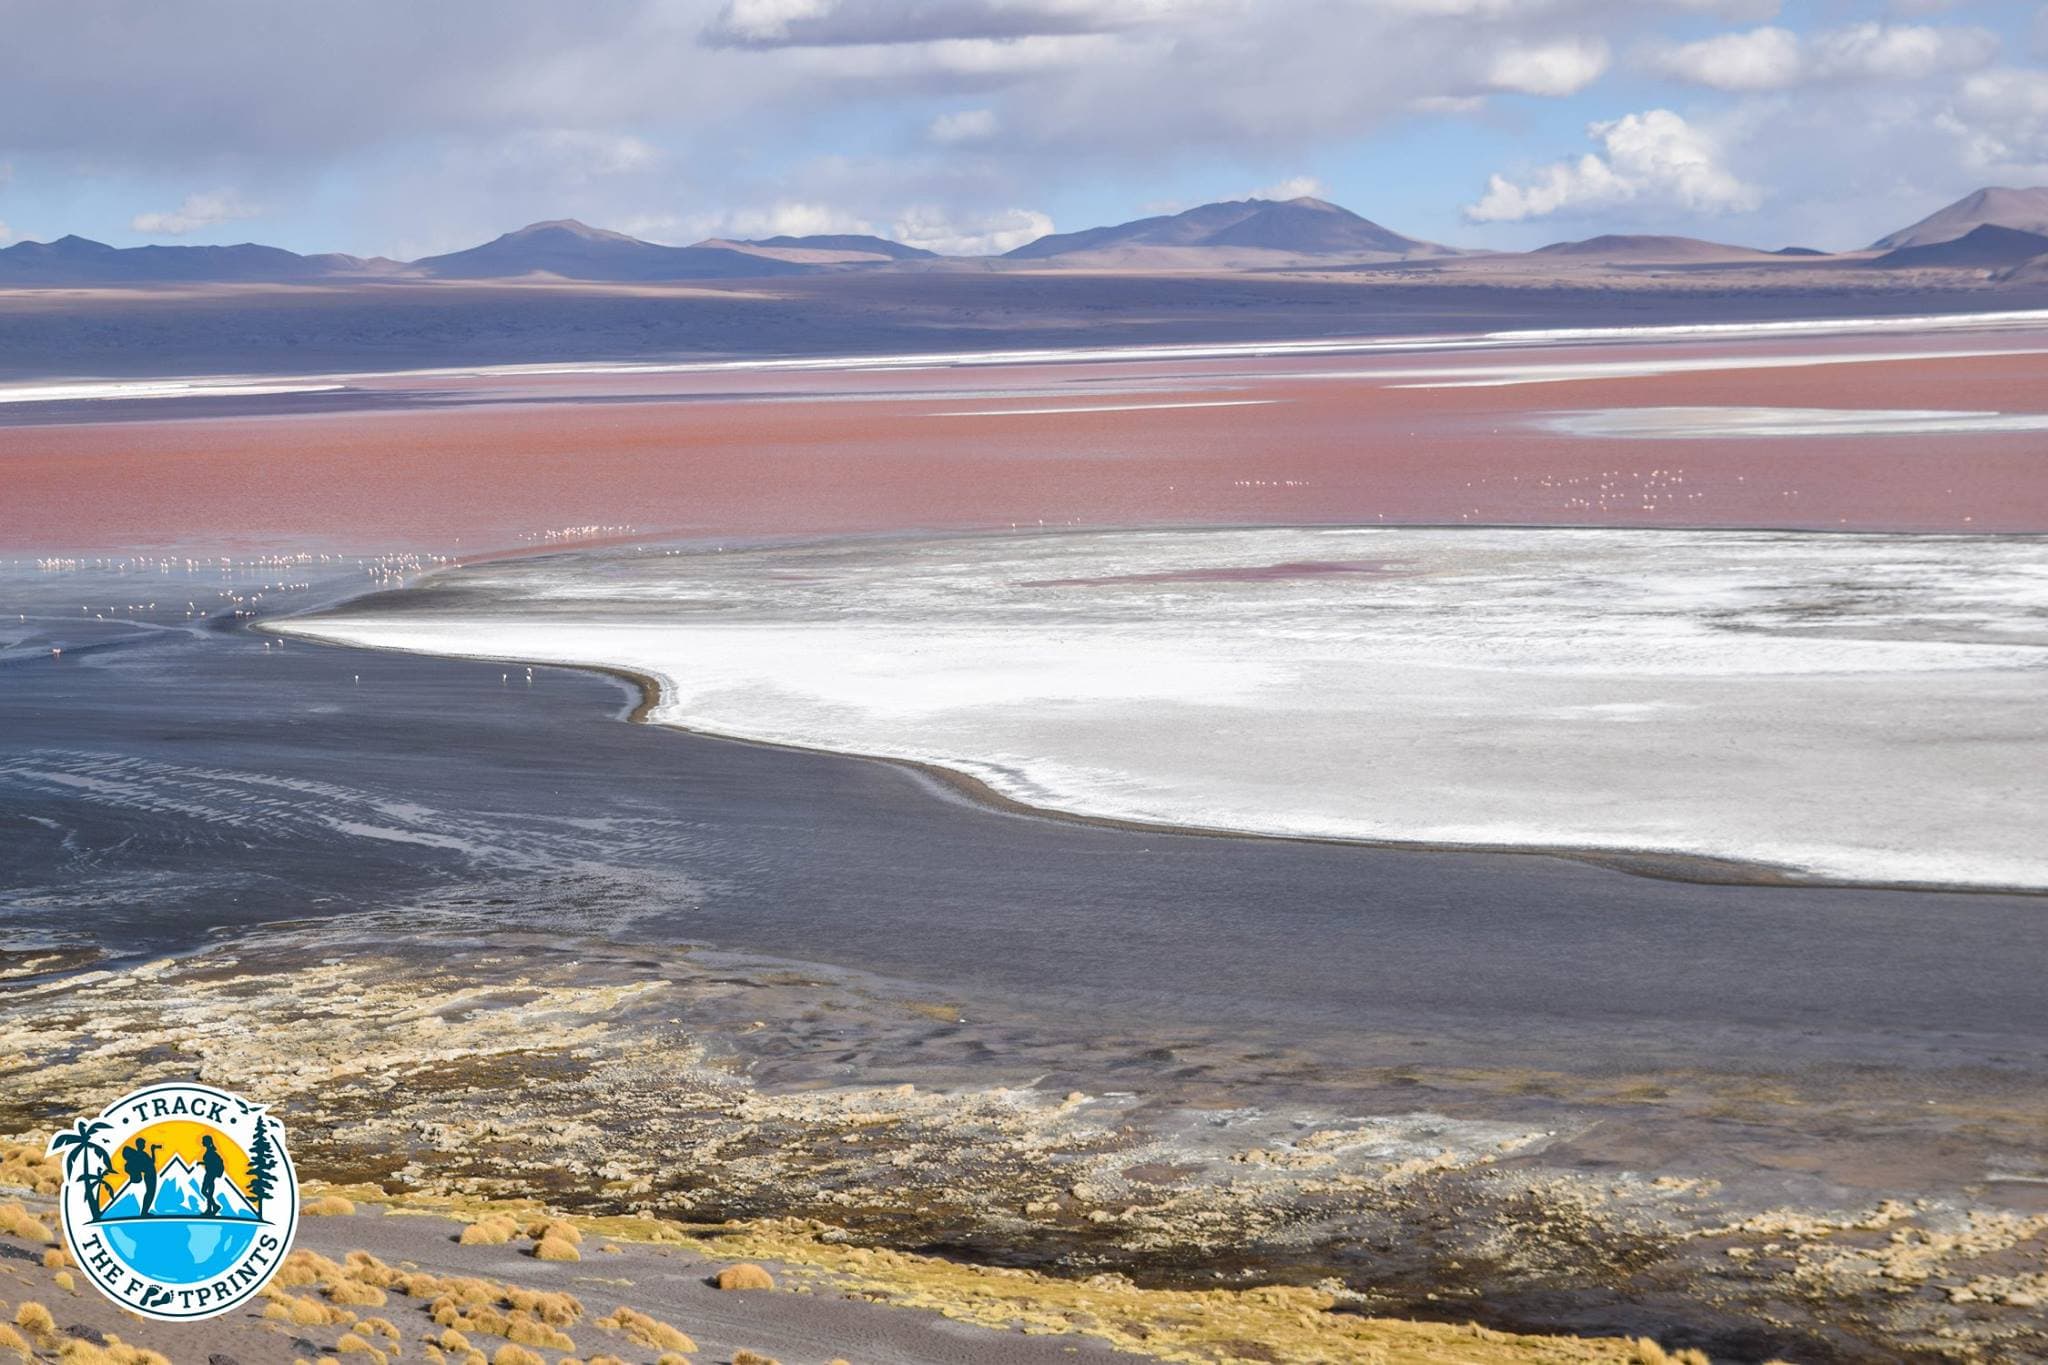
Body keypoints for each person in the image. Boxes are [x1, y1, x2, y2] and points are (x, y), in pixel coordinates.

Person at [119, 1138, 160, 1217]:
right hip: (150, 1175)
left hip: (150, 1174)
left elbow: (151, 1162)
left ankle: (144, 1212)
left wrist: (152, 1150)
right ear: (139, 1145)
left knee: (150, 1193)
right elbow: (150, 1163)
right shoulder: (140, 1154)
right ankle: (144, 1213)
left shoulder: (141, 1154)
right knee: (150, 1193)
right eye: (143, 1144)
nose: (144, 1145)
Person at [198, 1135, 227, 1217]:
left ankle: (214, 1207)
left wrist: (203, 1163)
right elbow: (210, 1162)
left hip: (210, 1174)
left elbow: (211, 1163)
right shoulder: (210, 1151)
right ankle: (211, 1208)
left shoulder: (210, 1152)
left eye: (203, 1141)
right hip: (210, 1174)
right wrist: (202, 1163)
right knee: (209, 1193)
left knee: (204, 1191)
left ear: (207, 1142)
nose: (202, 1142)